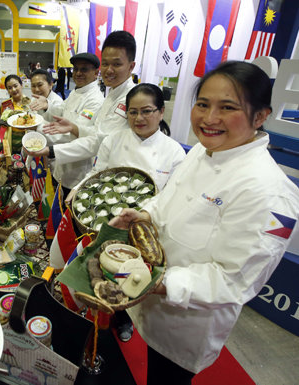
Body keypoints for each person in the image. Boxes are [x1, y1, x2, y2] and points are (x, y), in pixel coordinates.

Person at [109, 61, 299, 384]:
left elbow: (233, 279)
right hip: (149, 299)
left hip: (186, 322)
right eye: (203, 104)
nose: (210, 119)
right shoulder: (202, 150)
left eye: (227, 107)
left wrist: (159, 283)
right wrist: (146, 214)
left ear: (261, 116)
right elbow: (169, 198)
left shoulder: (271, 193)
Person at [31, 31, 137, 168]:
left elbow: (100, 141)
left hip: (93, 167)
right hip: (72, 162)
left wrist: (49, 148)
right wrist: (48, 106)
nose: (109, 70)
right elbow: (94, 131)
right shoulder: (107, 93)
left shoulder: (128, 99)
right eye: (105, 64)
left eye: (116, 64)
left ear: (131, 66)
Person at [72, 84, 185, 194]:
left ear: (161, 112)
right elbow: (96, 173)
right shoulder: (112, 141)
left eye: (146, 111)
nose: (139, 118)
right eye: (133, 112)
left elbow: (172, 194)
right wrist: (77, 189)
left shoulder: (175, 151)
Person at [29, 53, 104, 196]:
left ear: (96, 73)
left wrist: (36, 126)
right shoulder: (76, 92)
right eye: (75, 69)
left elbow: (72, 134)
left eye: (84, 69)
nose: (78, 73)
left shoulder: (95, 99)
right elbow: (61, 110)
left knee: (65, 211)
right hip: (60, 166)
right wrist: (47, 106)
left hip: (77, 171)